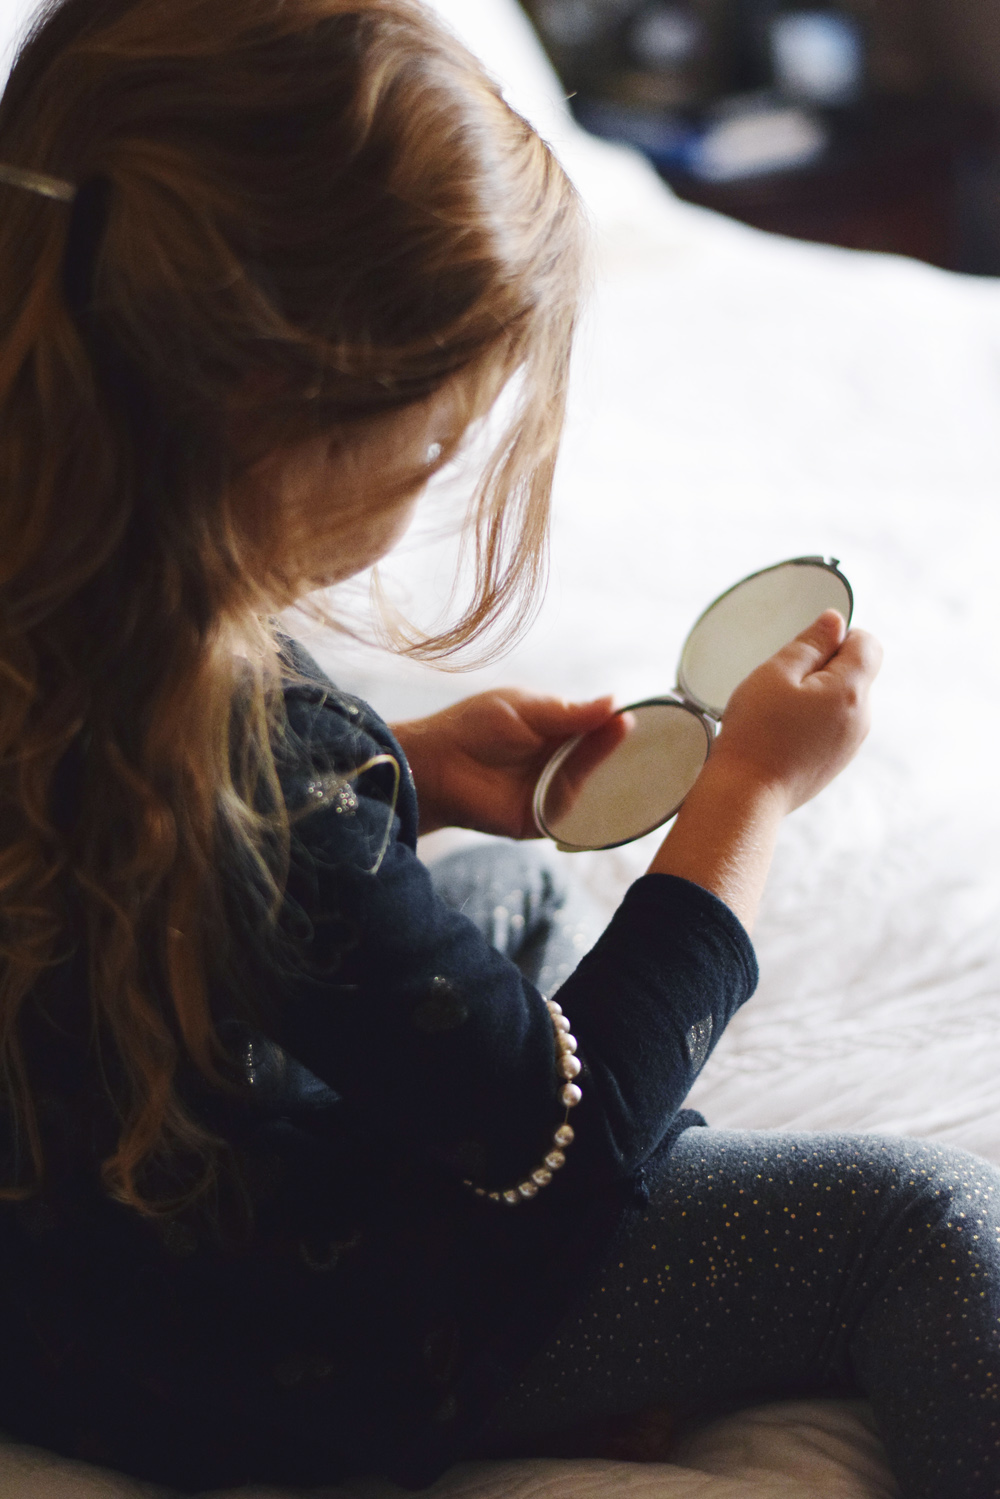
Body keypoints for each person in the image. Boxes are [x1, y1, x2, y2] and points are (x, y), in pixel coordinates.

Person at [0, 1, 996, 1496]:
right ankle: (479, 1392)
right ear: (278, 412)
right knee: (922, 1227)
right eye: (428, 448)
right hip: (267, 1347)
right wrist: (748, 798)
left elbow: (147, 846)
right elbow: (554, 1141)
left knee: (518, 903)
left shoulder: (66, 601)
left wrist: (400, 766)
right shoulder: (265, 750)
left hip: (65, 1276)